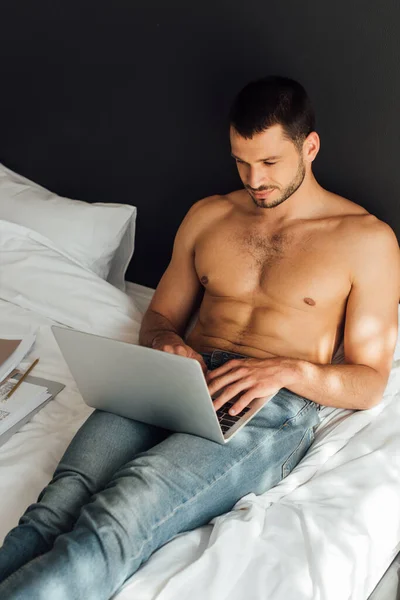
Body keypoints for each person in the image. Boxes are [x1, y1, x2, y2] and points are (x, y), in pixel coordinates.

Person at [0, 75, 398, 600]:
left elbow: (370, 383)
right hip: (174, 378)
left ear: (310, 147)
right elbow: (160, 314)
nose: (254, 179)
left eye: (270, 163)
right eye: (241, 161)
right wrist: (167, 342)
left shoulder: (366, 239)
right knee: (55, 505)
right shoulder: (210, 215)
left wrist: (286, 371)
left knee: (124, 510)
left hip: (268, 403)